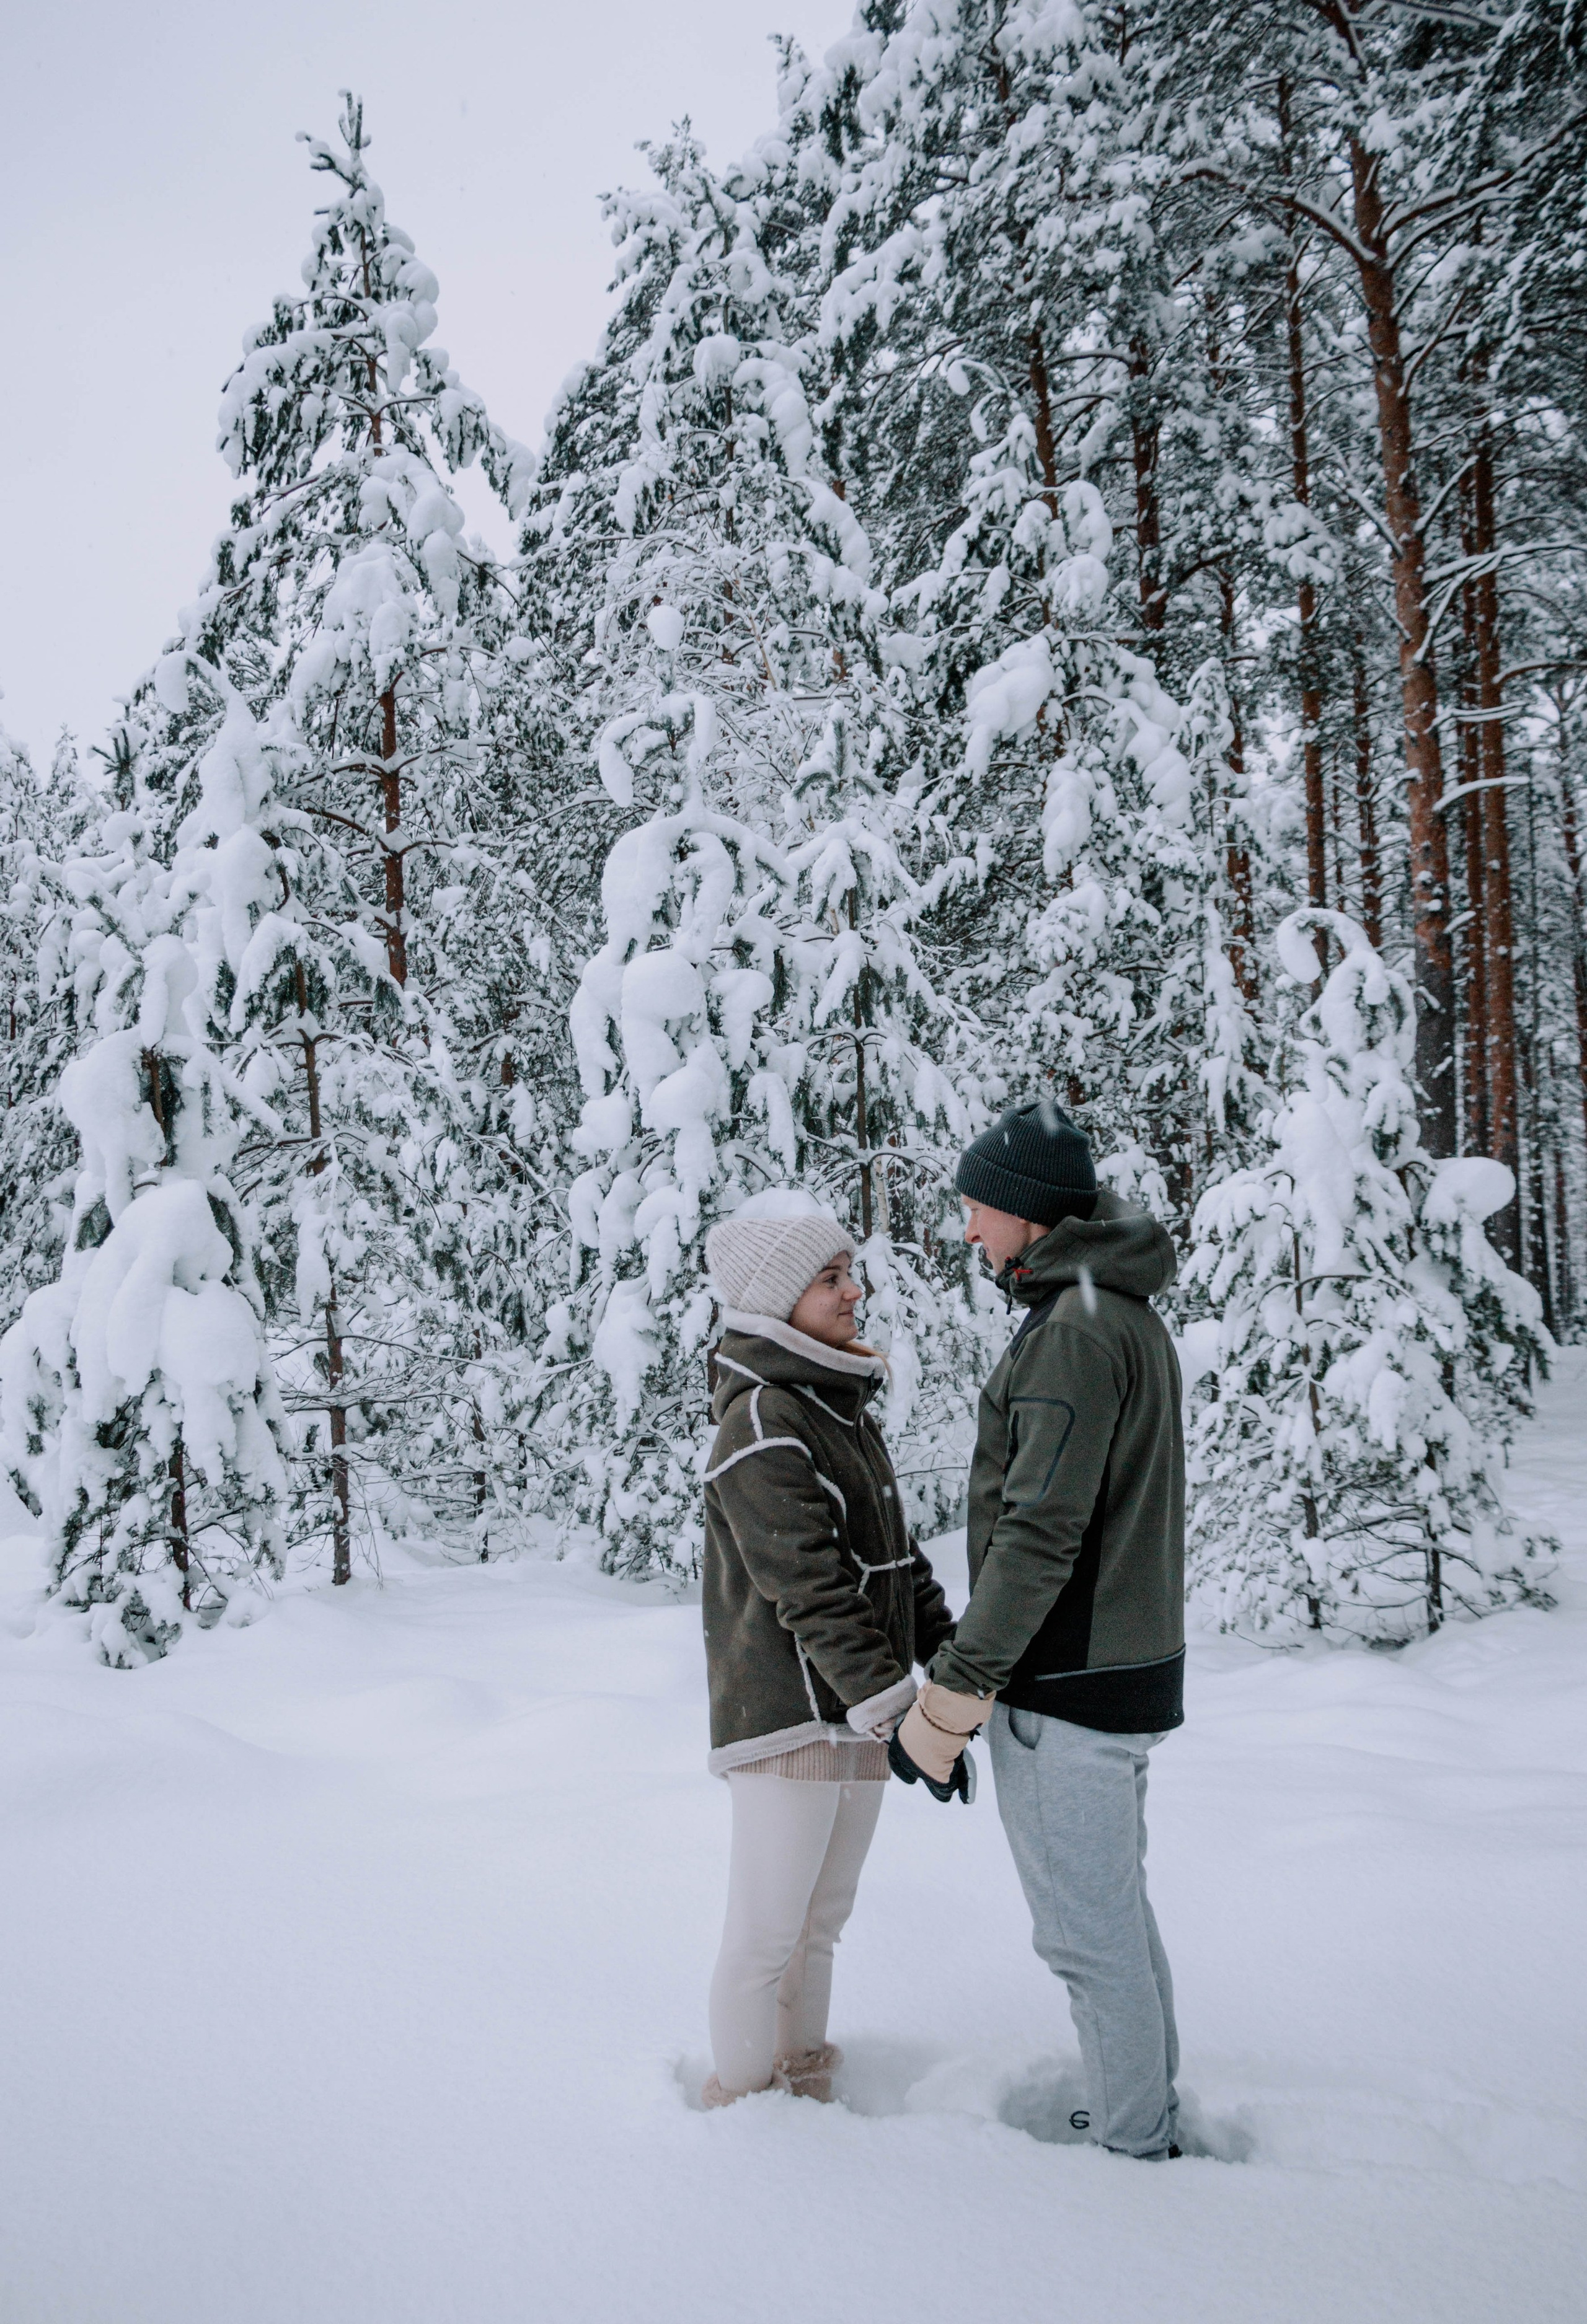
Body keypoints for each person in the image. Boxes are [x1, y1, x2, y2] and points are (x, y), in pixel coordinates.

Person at [894, 1099, 1186, 2160]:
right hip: (1121, 1668)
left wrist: (953, 1699)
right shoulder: (1117, 1309)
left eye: (979, 1207)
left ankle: (1133, 2149)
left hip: (1066, 1683)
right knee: (1116, 1919)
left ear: (1026, 1213)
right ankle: (1142, 2111)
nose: (969, 1227)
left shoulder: (1073, 1330)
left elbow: (1038, 1535)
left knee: (1086, 1938)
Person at [699, 1191, 955, 2106]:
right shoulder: (763, 1420)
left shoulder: (836, 1408)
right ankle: (742, 2104)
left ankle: (801, 2082)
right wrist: (901, 1712)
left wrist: (951, 1652)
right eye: (831, 1277)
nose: (856, 1292)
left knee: (821, 1923)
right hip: (789, 1715)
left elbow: (894, 1559)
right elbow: (809, 1587)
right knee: (768, 1933)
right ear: (778, 1300)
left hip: (855, 1709)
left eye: (852, 1273)